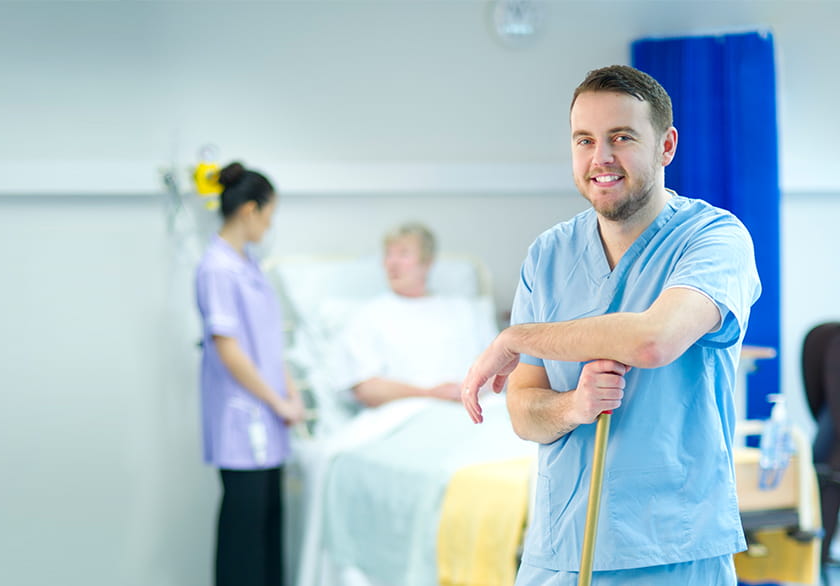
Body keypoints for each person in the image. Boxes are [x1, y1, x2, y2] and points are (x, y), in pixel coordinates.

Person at [460, 65, 761, 584]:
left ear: (666, 146)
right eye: (585, 140)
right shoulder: (550, 253)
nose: (601, 157)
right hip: (559, 550)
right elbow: (524, 412)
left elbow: (654, 339)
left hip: (673, 548)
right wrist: (572, 406)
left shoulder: (714, 240)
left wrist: (515, 337)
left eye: (621, 138)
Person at [195, 161, 304, 586]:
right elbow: (228, 348)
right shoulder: (216, 268)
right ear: (249, 211)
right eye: (268, 214)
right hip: (242, 420)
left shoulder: (250, 266)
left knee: (266, 534)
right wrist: (277, 401)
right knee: (242, 543)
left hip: (270, 418)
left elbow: (269, 343)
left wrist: (290, 395)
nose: (269, 225)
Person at [340, 222, 496, 407]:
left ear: (427, 262)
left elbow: (499, 369)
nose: (392, 263)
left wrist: (468, 391)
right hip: (405, 415)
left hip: (479, 408)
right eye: (389, 254)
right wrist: (430, 394)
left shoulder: (467, 311)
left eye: (403, 254)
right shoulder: (369, 316)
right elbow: (367, 389)